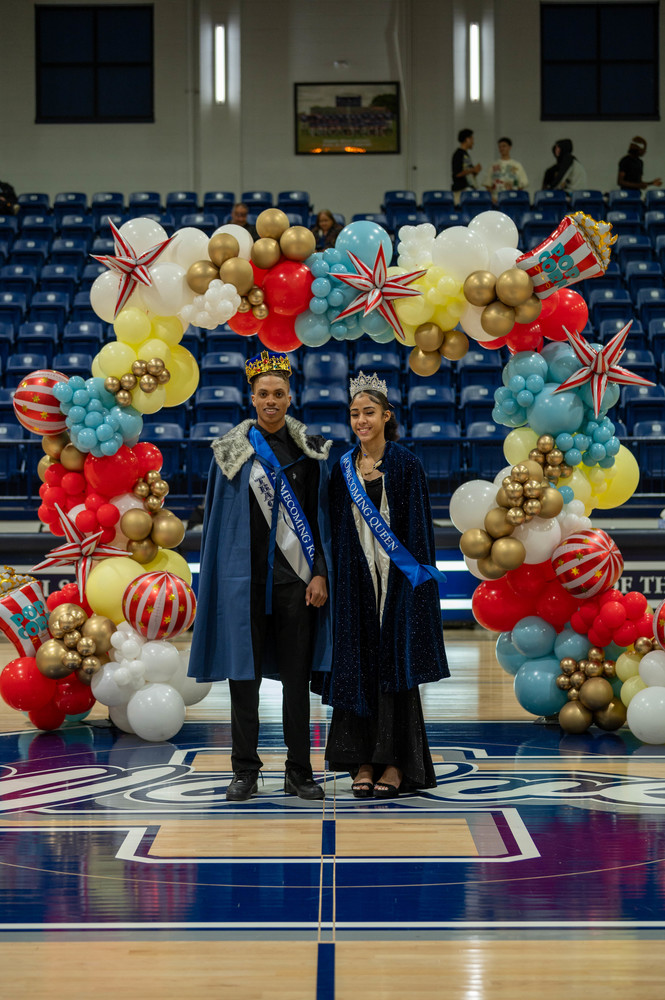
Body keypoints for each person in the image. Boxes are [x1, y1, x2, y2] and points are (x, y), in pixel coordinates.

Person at [188, 350, 333, 802]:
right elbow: (217, 526)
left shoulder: (312, 451)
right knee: (243, 680)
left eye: (279, 393)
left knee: (295, 678)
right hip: (243, 581)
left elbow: (322, 520)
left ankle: (298, 769)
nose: (271, 400)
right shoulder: (229, 454)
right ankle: (244, 770)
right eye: (263, 393)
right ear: (251, 398)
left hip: (296, 582)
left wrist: (321, 574)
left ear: (291, 398)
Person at [314, 373, 449, 798]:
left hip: (398, 585)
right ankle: (363, 761)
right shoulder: (343, 468)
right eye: (354, 414)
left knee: (394, 670)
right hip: (356, 585)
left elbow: (419, 533)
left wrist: (417, 590)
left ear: (387, 416)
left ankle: (394, 764)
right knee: (359, 669)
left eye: (369, 412)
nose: (360, 420)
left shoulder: (406, 464)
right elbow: (334, 530)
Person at [451, 129, 481, 203]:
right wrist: (472, 170)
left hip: (469, 189)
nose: (473, 142)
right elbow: (457, 173)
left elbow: (467, 172)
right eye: (472, 139)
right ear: (467, 139)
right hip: (461, 191)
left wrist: (475, 171)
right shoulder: (458, 154)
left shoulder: (466, 154)